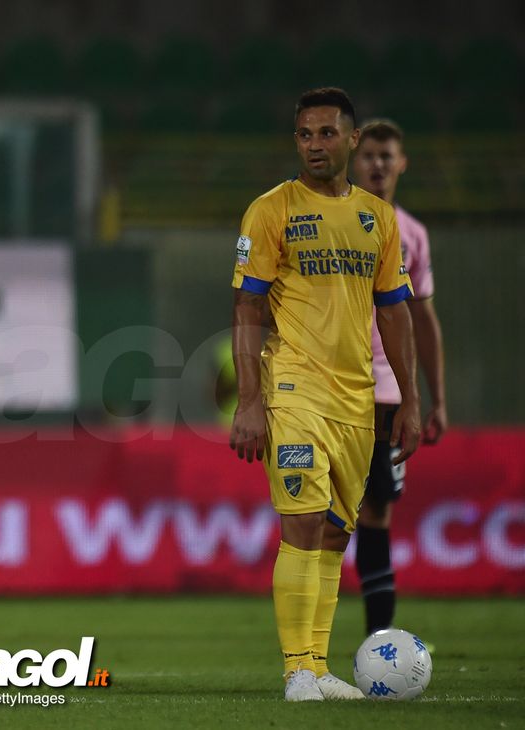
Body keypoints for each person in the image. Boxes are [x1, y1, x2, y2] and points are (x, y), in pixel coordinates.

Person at [229, 88, 421, 701]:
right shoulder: (270, 210)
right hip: (293, 390)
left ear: (352, 139)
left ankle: (316, 666)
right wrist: (251, 399)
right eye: (306, 135)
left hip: (357, 400)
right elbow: (246, 306)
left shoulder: (378, 218)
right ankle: (296, 672)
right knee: (303, 522)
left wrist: (410, 400)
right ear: (296, 142)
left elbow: (396, 313)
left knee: (337, 533)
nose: (315, 144)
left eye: (327, 133)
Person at [351, 119, 446, 635]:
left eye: (387, 155)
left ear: (401, 163)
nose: (379, 164)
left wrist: (435, 398)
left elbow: (424, 320)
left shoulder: (412, 234)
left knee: (377, 512)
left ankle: (377, 644)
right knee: (324, 517)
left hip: (388, 393)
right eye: (369, 155)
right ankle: (307, 655)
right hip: (332, 389)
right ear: (354, 160)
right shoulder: (330, 223)